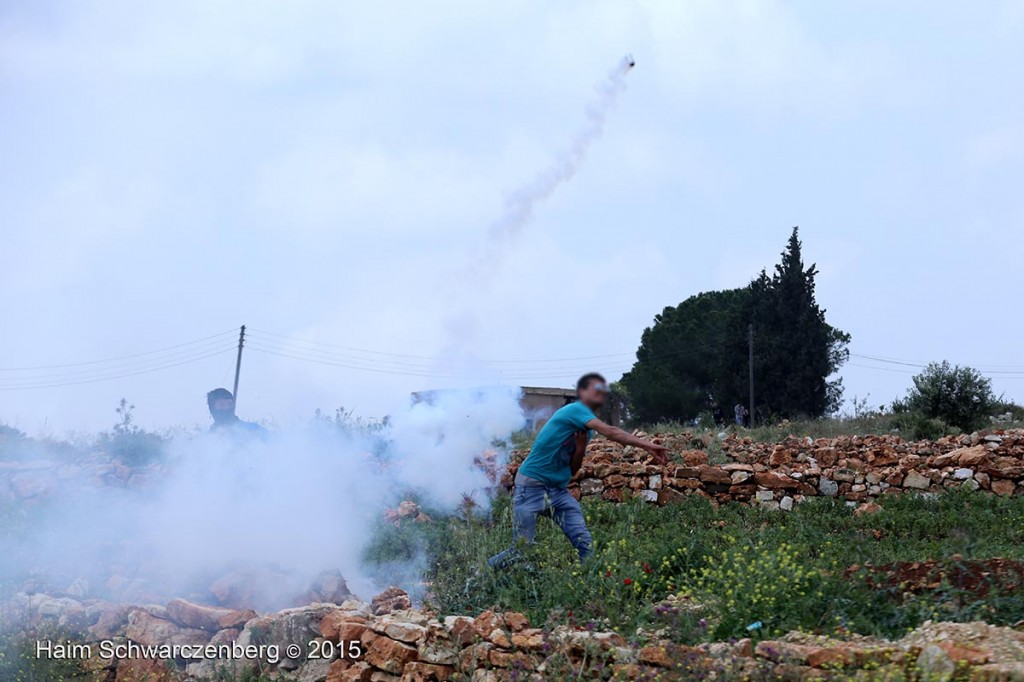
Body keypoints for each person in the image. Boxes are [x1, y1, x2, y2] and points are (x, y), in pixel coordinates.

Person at [488, 373, 670, 570]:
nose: (600, 395)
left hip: (557, 491)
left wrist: (581, 447)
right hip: (532, 486)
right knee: (522, 550)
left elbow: (573, 470)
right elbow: (611, 432)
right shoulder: (575, 410)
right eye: (595, 390)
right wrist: (647, 445)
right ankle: (486, 569)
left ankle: (590, 584)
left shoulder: (586, 430)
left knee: (585, 543)